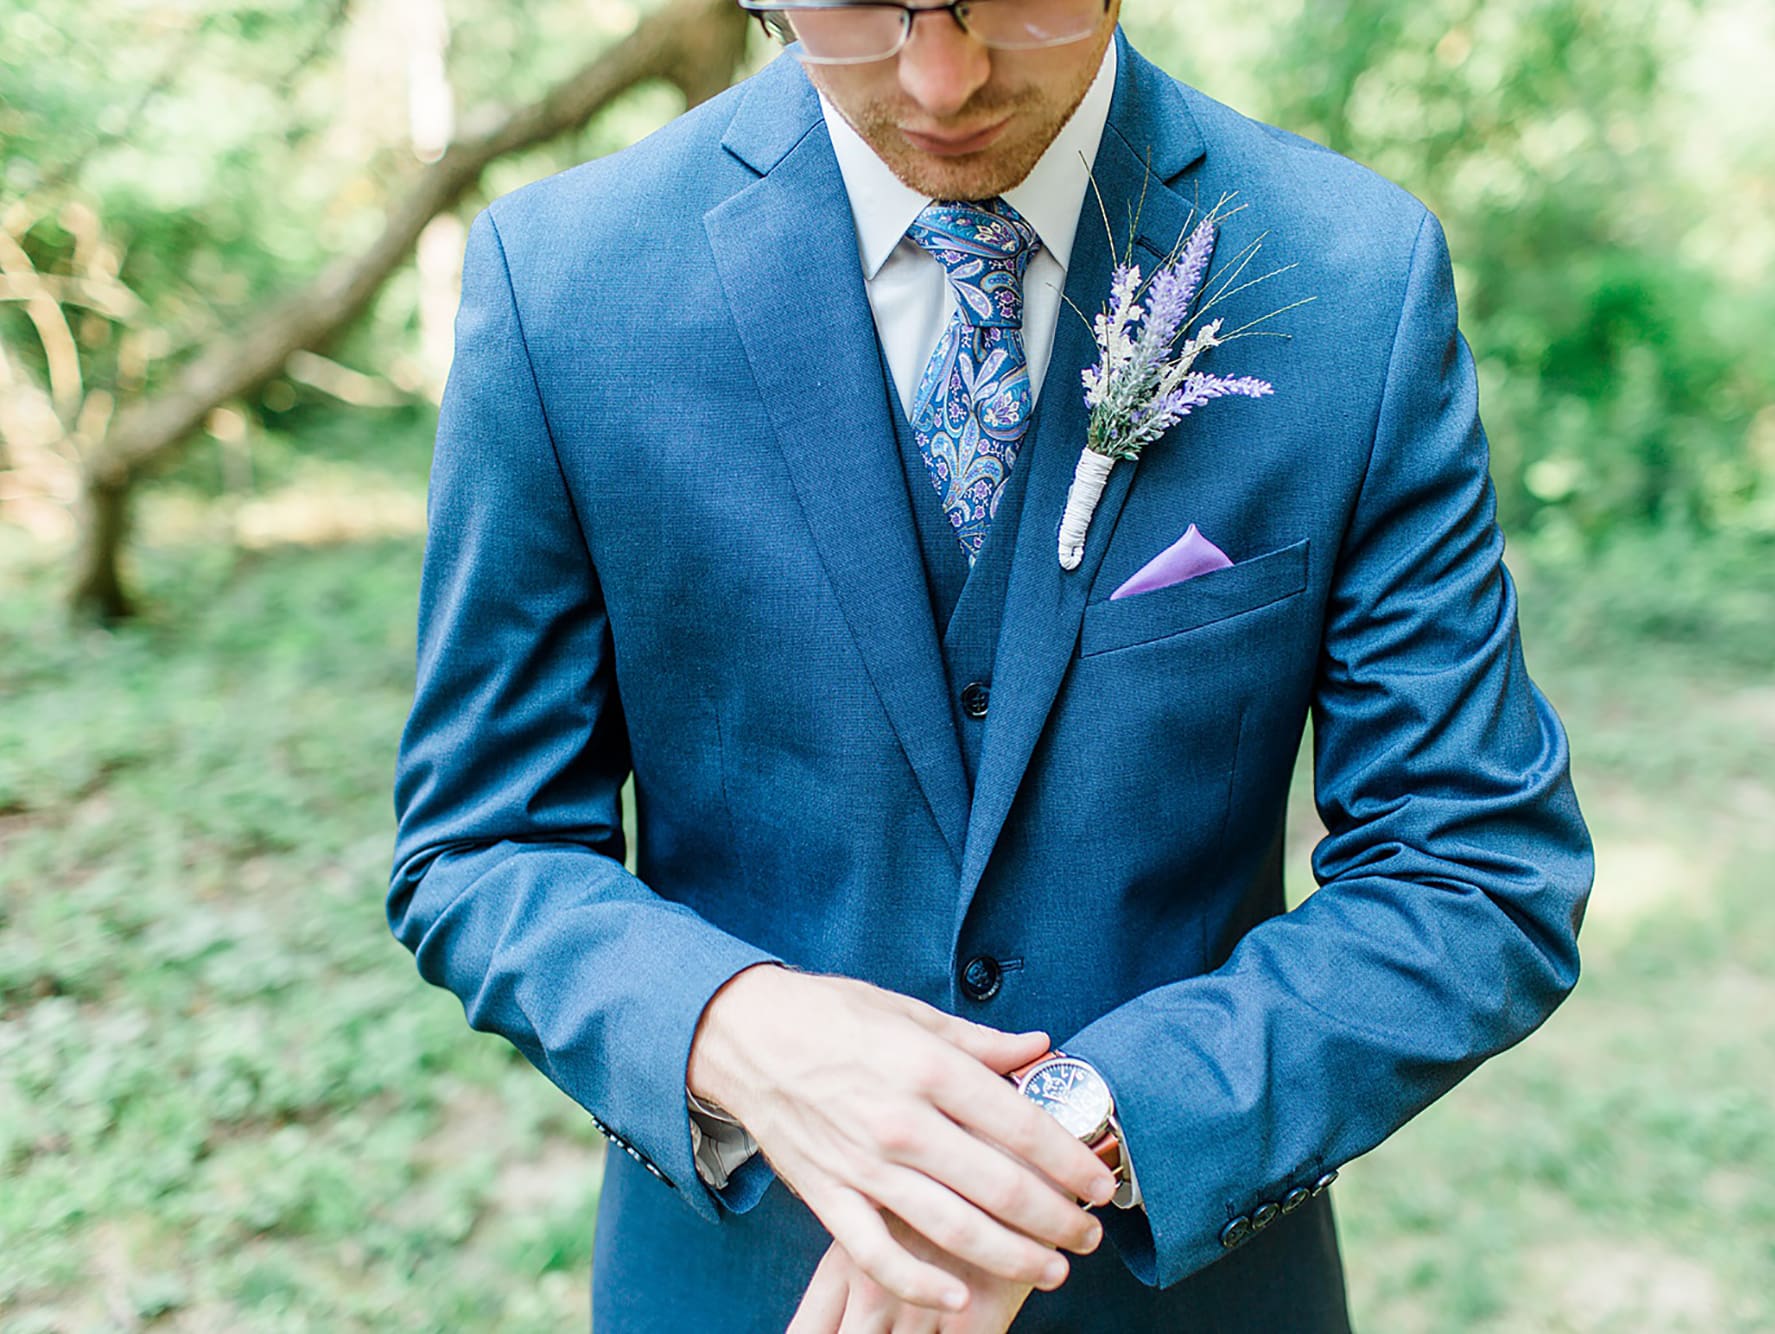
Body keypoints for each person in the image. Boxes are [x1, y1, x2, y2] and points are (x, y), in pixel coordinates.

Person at [387, 1, 1594, 1329]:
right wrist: (748, 1035)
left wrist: (1069, 1134)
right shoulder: (563, 286)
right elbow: (480, 847)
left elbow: (1476, 867)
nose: (941, 77)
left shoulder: (1350, 278)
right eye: (856, 6)